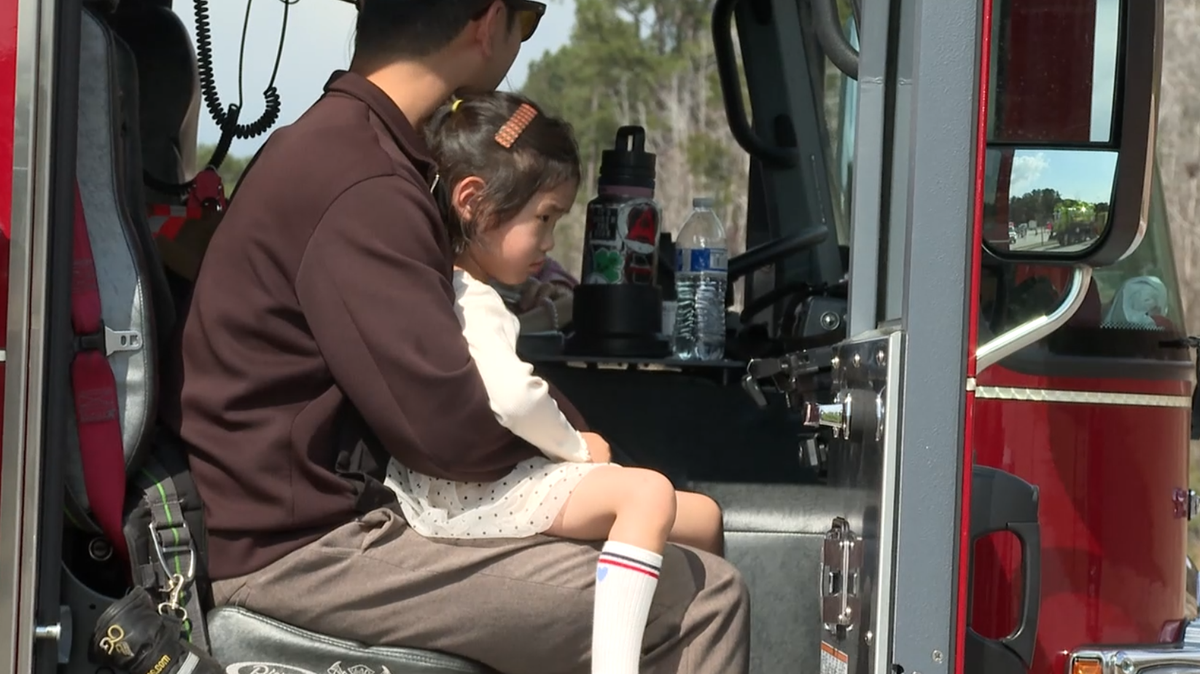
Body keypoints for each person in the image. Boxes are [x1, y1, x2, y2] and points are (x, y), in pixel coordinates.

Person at [161, 1, 751, 673]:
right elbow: (446, 429)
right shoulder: (363, 180)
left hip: (307, 527)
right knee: (703, 596)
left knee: (668, 544)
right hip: (305, 554)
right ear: (487, 21)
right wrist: (585, 460)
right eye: (529, 21)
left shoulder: (344, 149)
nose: (524, 40)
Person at [386, 92, 724, 674]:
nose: (548, 242)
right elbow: (514, 398)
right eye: (542, 218)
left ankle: (673, 618)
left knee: (706, 518)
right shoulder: (475, 297)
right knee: (647, 493)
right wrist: (576, 449)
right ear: (472, 202)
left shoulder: (445, 288)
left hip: (461, 492)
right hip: (478, 497)